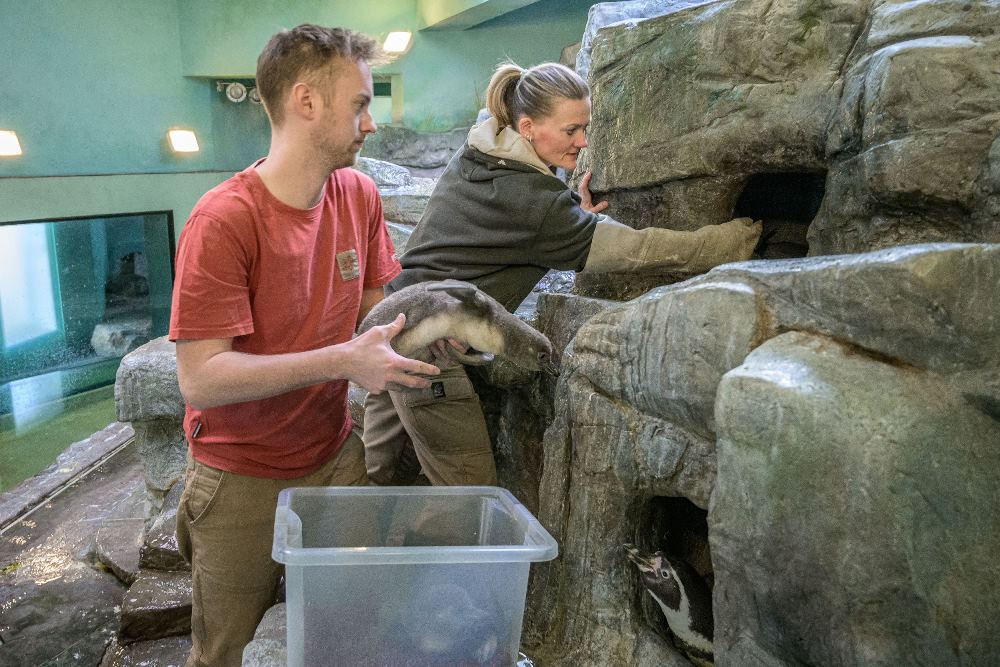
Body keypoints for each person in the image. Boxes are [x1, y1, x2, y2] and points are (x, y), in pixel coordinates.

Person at [168, 25, 441, 667]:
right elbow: (201, 378)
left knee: (348, 625)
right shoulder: (224, 219)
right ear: (306, 102)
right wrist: (344, 361)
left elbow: (377, 309)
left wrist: (432, 326)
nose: (371, 122)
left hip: (330, 454)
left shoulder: (358, 194)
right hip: (237, 471)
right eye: (360, 103)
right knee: (220, 650)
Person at [362, 60, 762, 488]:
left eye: (585, 127)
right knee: (469, 487)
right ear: (529, 126)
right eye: (571, 130)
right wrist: (733, 242)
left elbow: (507, 226)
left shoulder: (480, 153)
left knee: (379, 475)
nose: (582, 141)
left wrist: (570, 212)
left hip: (392, 326)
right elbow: (636, 251)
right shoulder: (534, 202)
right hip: (430, 344)